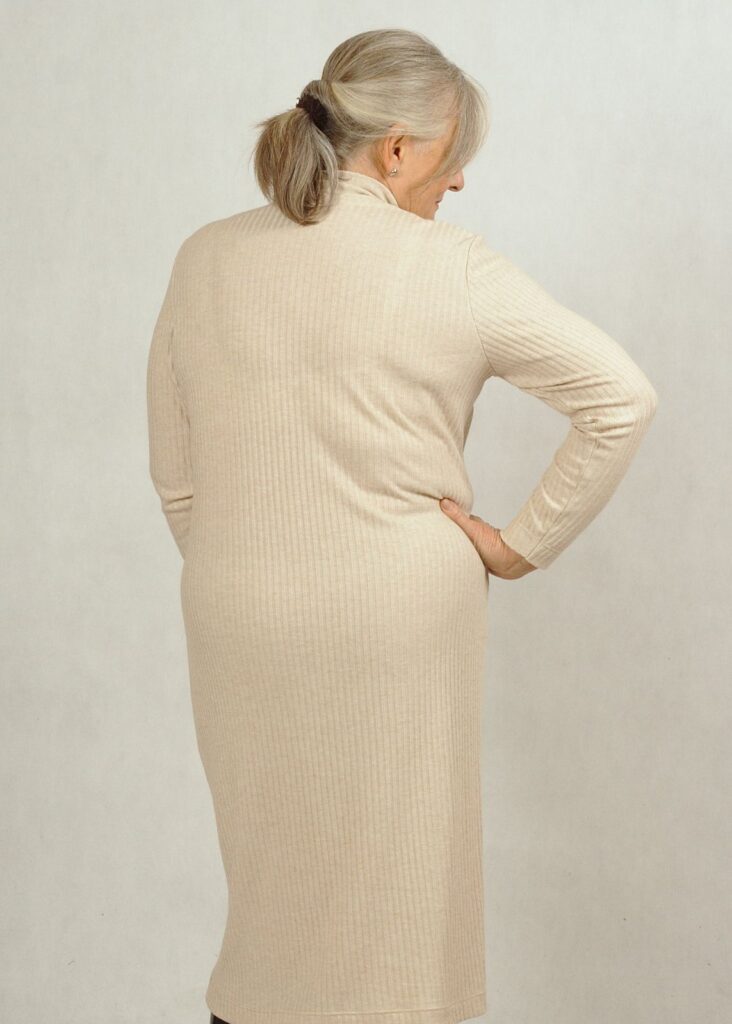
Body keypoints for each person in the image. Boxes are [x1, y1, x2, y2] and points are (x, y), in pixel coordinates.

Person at [146, 28, 658, 1024]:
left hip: (236, 610)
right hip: (399, 615)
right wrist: (519, 544)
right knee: (401, 891)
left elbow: (178, 480)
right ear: (394, 151)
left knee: (273, 883)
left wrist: (255, 565)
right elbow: (621, 397)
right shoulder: (450, 266)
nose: (459, 180)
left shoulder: (204, 257)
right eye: (451, 154)